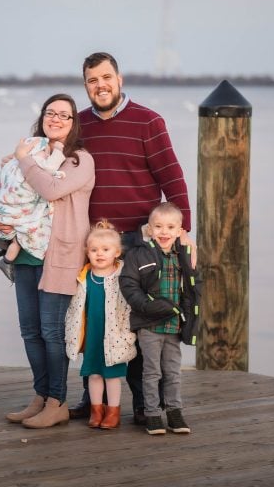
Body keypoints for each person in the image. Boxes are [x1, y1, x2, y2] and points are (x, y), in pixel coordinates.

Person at [70, 51, 193, 425]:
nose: (100, 85)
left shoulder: (148, 121)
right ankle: (91, 399)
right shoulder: (80, 124)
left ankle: (144, 404)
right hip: (96, 241)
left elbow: (172, 179)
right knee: (95, 319)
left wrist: (183, 232)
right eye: (92, 80)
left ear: (119, 80)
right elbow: (53, 159)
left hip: (139, 240)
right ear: (86, 85)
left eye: (106, 77)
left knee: (137, 321)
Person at [0, 93, 95, 429]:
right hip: (26, 252)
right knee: (30, 331)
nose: (56, 119)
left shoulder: (79, 160)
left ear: (74, 122)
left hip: (60, 255)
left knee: (53, 333)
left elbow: (50, 189)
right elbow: (14, 190)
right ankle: (39, 395)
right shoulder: (33, 152)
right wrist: (2, 219)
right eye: (51, 113)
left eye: (64, 115)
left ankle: (57, 401)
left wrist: (23, 161)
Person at [119, 202, 202, 435]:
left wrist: (189, 316)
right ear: (150, 229)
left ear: (179, 230)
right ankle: (152, 414)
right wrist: (146, 306)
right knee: (152, 371)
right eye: (158, 226)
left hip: (175, 325)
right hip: (149, 325)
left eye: (170, 227)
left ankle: (175, 412)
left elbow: (194, 286)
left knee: (173, 372)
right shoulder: (139, 253)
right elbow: (128, 284)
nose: (164, 232)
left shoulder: (184, 255)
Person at [64, 220, 136, 429]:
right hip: (93, 335)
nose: (99, 254)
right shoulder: (84, 276)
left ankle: (113, 412)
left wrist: (128, 334)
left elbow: (129, 308)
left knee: (112, 376)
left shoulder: (122, 276)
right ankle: (96, 410)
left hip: (114, 336)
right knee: (94, 374)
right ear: (87, 252)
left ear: (117, 252)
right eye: (94, 250)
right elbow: (75, 308)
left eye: (105, 249)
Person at [0, 136, 66, 283]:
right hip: (18, 212)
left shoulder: (12, 165)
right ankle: (6, 262)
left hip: (4, 210)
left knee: (10, 227)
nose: (47, 155)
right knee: (20, 238)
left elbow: (0, 185)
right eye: (45, 151)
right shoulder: (34, 162)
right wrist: (58, 151)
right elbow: (51, 168)